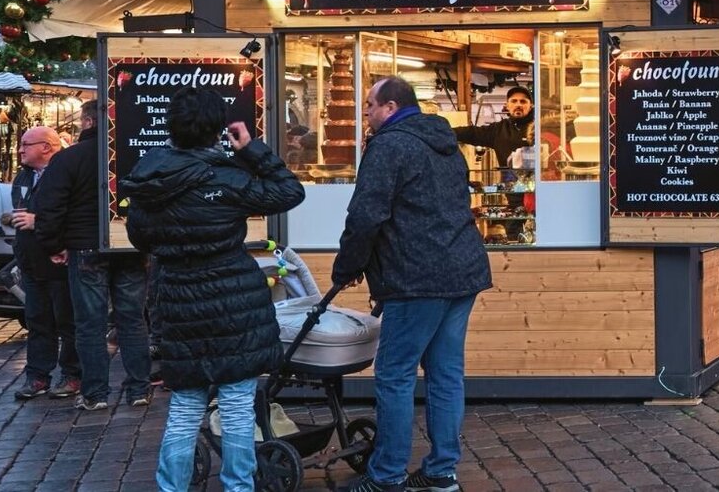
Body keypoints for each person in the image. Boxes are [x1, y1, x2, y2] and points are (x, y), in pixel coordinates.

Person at [125, 89, 305, 492]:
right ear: (217, 129)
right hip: (232, 303)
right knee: (239, 406)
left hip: (176, 300)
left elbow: (141, 238)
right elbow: (290, 192)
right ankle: (238, 487)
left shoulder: (148, 177)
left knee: (186, 406)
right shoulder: (227, 176)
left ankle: (172, 487)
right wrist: (252, 151)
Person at [332, 76, 494, 492]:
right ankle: (442, 471)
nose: (365, 114)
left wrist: (347, 265)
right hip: (462, 271)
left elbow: (367, 214)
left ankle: (386, 475)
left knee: (395, 376)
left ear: (388, 107)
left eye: (369, 106)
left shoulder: (389, 146)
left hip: (414, 276)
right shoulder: (445, 143)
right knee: (445, 375)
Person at [32, 96, 151, 411]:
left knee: (89, 323)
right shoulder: (130, 153)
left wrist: (53, 245)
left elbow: (50, 206)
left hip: (85, 245)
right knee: (132, 320)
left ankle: (96, 393)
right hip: (128, 244)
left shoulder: (69, 159)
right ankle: (139, 388)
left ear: (86, 122)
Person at [7, 125, 80, 401]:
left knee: (67, 320)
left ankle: (72, 374)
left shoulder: (65, 173)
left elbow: (74, 212)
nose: (21, 149)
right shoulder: (24, 177)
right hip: (30, 259)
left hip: (59, 259)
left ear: (46, 147)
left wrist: (38, 221)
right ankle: (37, 376)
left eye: (27, 144)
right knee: (37, 320)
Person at [454, 84, 534, 157]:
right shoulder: (498, 129)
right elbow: (473, 133)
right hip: (508, 172)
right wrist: (446, 131)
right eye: (514, 101)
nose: (518, 105)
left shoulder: (538, 128)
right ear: (507, 105)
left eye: (523, 101)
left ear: (530, 106)